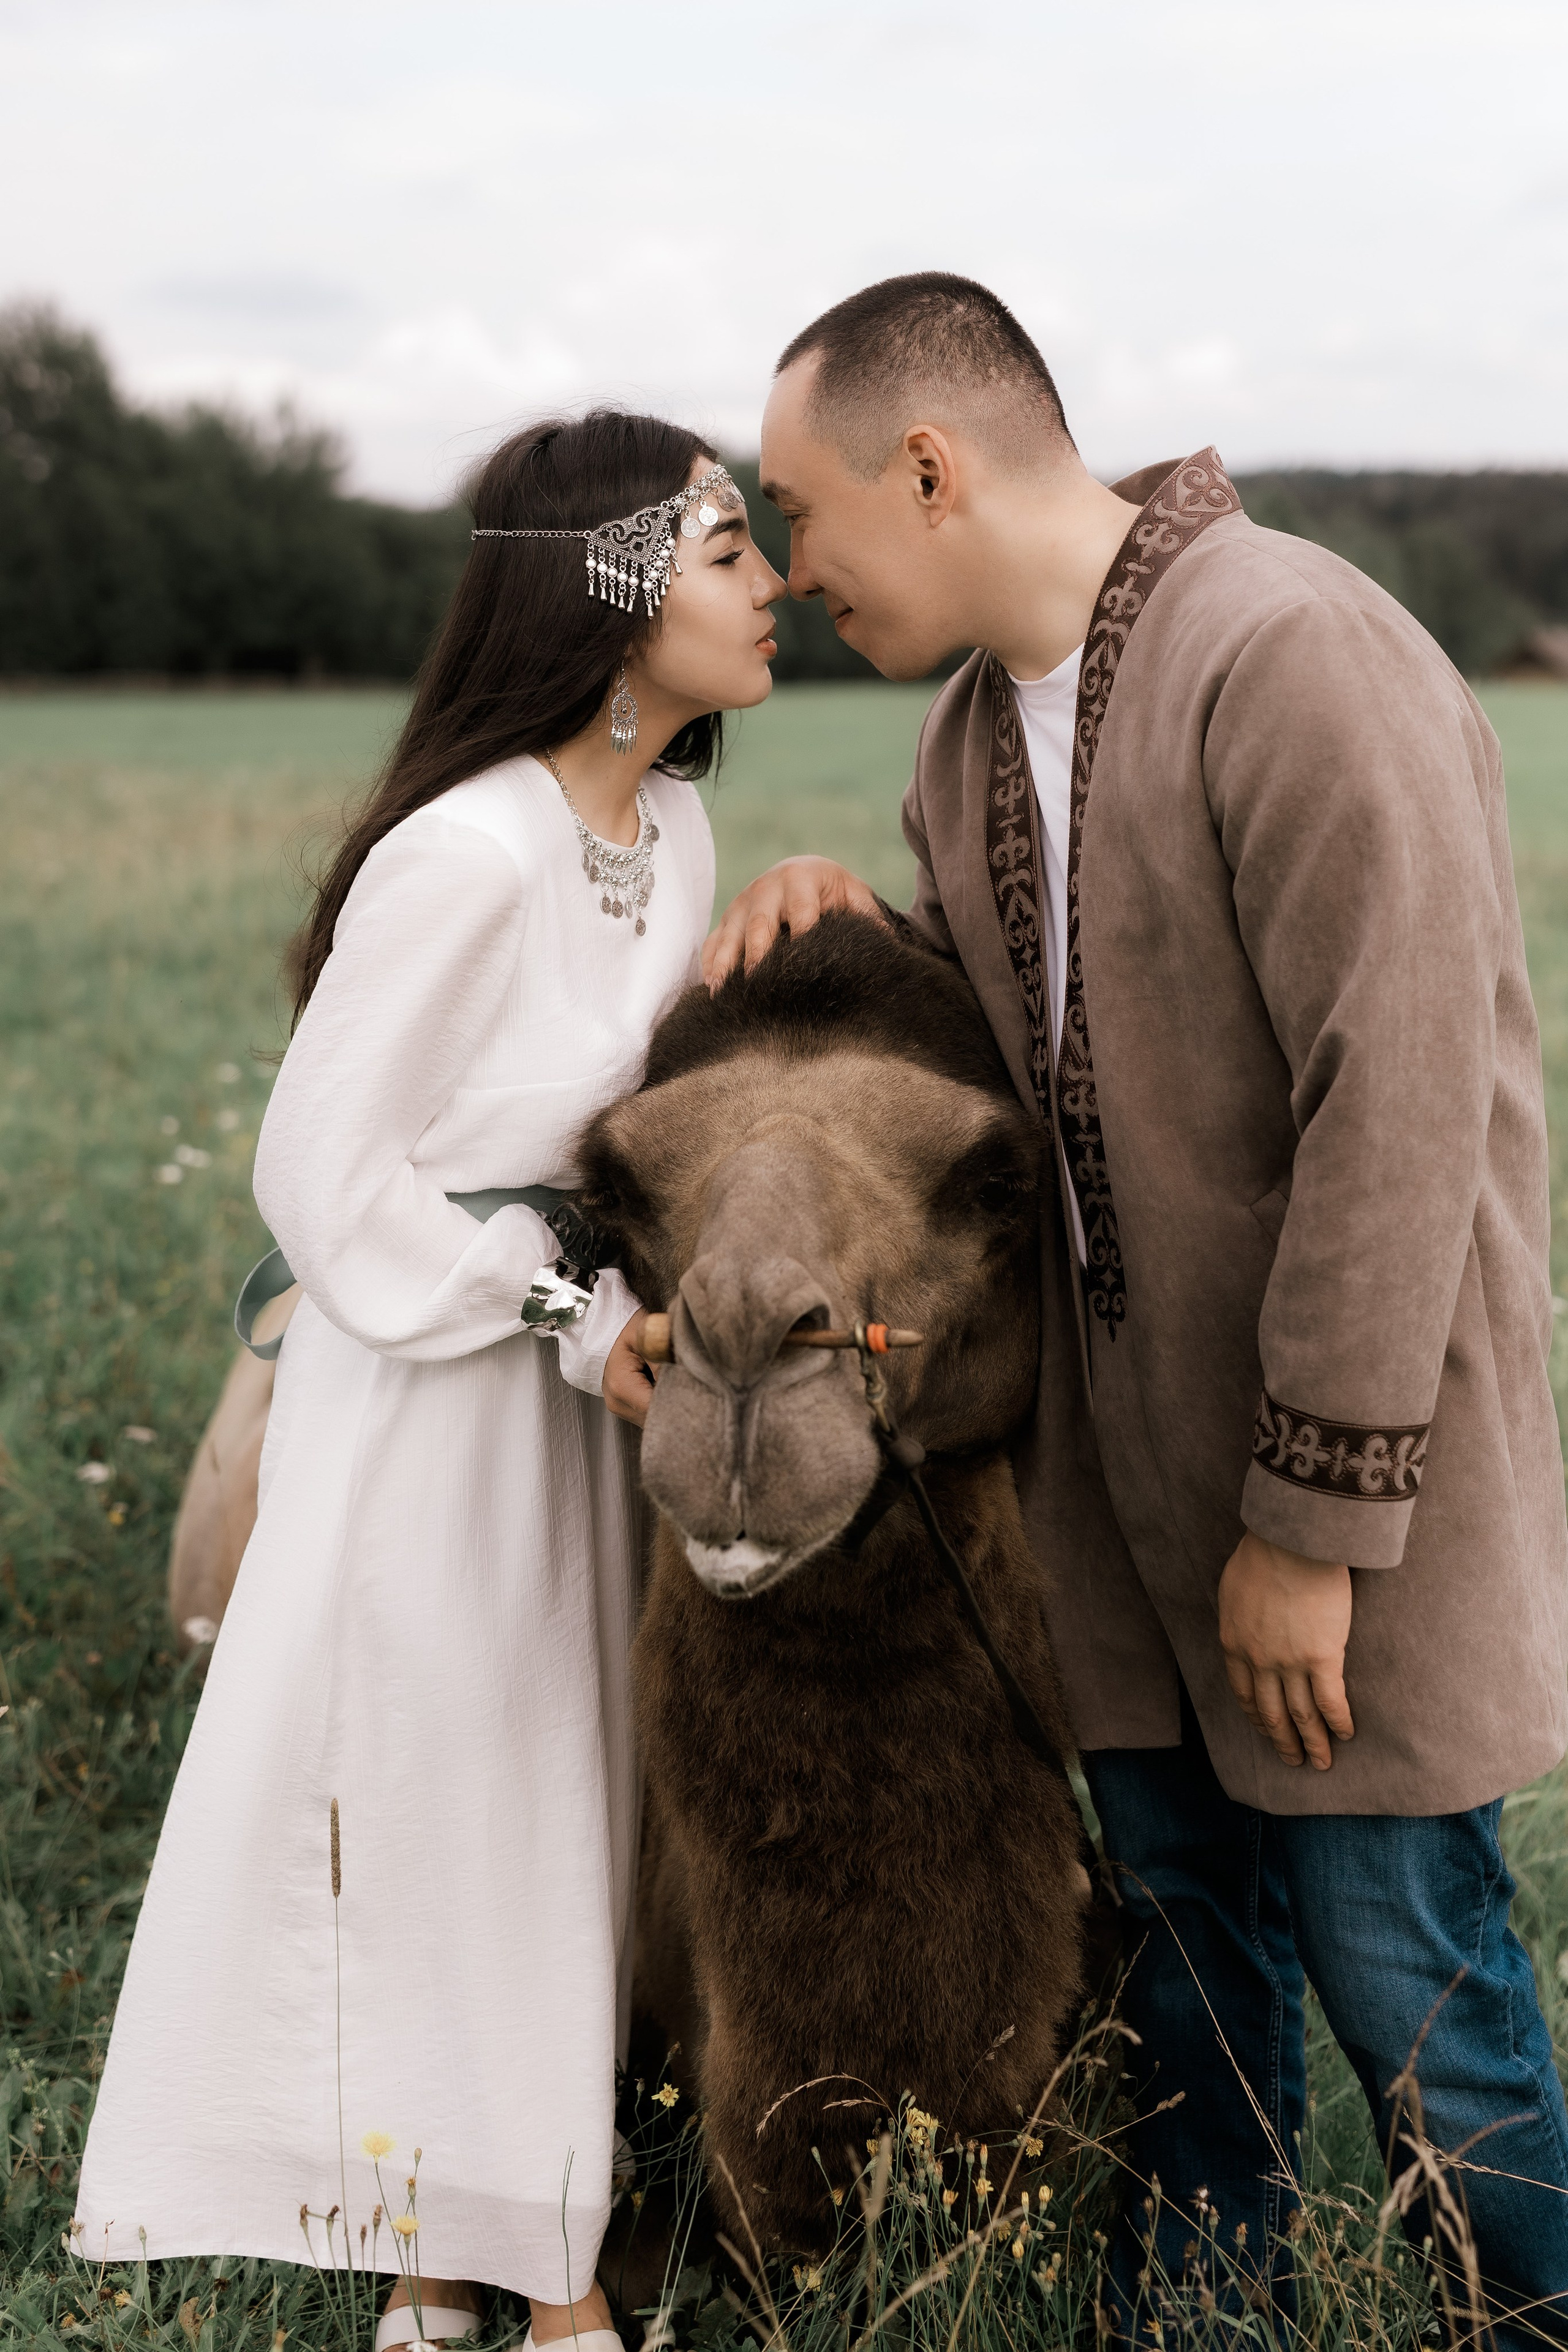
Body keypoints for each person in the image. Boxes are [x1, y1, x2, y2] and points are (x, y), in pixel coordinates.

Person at [707, 273, 1568, 2336]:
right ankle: (1195, 2320)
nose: (794, 566)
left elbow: (1401, 1111)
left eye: (800, 510)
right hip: (1126, 1492)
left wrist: (1314, 1529)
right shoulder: (962, 737)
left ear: (931, 469)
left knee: (1412, 1984)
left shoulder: (1294, 649)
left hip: (1346, 1486)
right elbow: (1046, 1042)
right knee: (1185, 1959)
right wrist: (859, 923)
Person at [77, 413, 786, 2350]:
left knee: (550, 1796)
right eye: (730, 548)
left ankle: (438, 2261)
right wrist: (561, 1317)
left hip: (583, 1397)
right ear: (616, 591)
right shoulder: (465, 853)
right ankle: (547, 2295)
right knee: (452, 1790)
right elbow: (319, 1176)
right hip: (435, 1398)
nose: (773, 586)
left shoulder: (671, 832)